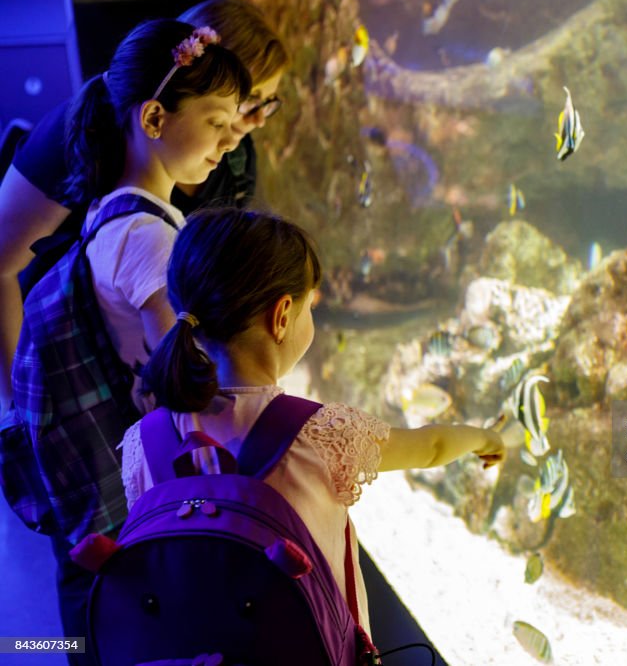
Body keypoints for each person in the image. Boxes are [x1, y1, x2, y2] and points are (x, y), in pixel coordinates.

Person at [123, 207, 506, 634]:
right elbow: (431, 447)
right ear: (283, 315)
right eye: (311, 306)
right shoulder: (321, 436)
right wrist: (482, 437)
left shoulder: (144, 440)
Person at [11, 19, 251, 665]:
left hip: (109, 481)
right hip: (146, 488)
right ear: (154, 117)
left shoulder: (109, 210)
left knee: (94, 620)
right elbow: (183, 379)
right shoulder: (150, 238)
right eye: (218, 118)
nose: (231, 139)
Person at [0, 0, 287, 409]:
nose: (258, 118)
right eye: (249, 98)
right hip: (60, 362)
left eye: (269, 103)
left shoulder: (235, 162)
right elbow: (2, 262)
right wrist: (14, 411)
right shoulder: (85, 136)